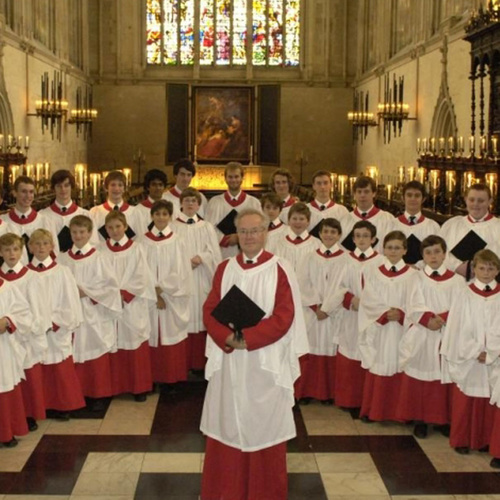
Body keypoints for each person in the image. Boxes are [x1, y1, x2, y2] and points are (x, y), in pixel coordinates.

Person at [200, 208, 307, 500]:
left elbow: (285, 316)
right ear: (237, 235)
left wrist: (248, 339)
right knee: (228, 422)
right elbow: (209, 310)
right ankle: (226, 491)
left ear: (266, 233)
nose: (249, 237)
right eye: (244, 231)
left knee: (263, 424)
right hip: (229, 359)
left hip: (265, 361)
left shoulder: (280, 268)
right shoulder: (225, 269)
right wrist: (226, 339)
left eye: (255, 231)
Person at [396, 235, 464, 438]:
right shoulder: (415, 277)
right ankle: (420, 419)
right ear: (422, 256)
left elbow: (461, 307)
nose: (433, 256)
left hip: (446, 332)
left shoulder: (458, 281)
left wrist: (442, 318)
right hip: (422, 332)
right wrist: (427, 320)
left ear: (444, 254)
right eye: (428, 252)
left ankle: (442, 419)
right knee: (421, 376)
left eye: (437, 252)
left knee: (444, 377)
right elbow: (412, 303)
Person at [59, 215, 122, 410]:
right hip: (71, 313)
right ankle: (78, 394)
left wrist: (85, 292)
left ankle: (98, 394)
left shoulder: (99, 257)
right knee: (74, 351)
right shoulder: (63, 259)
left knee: (95, 349)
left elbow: (111, 286)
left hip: (94, 311)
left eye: (82, 232)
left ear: (89, 233)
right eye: (74, 232)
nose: (78, 236)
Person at [441, 249, 500, 454]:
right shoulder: (464, 293)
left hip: (495, 357)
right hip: (468, 355)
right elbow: (457, 327)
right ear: (474, 269)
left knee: (489, 399)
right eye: (482, 268)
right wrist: (476, 350)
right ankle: (462, 440)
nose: (486, 272)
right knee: (466, 399)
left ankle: (485, 441)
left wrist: (492, 351)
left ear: (497, 270)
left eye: (491, 268)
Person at [358, 230, 421, 422]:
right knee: (379, 363)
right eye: (389, 247)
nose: (393, 251)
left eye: (397, 248)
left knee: (401, 363)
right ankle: (375, 410)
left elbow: (417, 301)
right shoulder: (373, 272)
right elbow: (368, 300)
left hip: (402, 328)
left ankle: (400, 413)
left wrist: (402, 315)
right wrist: (384, 314)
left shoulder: (414, 275)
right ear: (383, 249)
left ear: (404, 250)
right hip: (381, 327)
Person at [28, 229, 84, 420]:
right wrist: (37, 324)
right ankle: (39, 406)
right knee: (37, 366)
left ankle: (62, 405)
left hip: (58, 326)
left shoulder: (62, 271)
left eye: (45, 244)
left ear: (52, 247)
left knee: (59, 366)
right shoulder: (26, 274)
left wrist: (57, 321)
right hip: (35, 330)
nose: (41, 248)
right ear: (29, 247)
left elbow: (71, 300)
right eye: (37, 244)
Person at [100, 210, 156, 401]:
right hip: (109, 304)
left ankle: (138, 387)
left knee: (134, 342)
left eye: (118, 226)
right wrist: (111, 296)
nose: (114, 231)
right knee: (111, 342)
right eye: (110, 227)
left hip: (132, 303)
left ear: (125, 227)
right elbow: (98, 277)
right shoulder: (100, 251)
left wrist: (125, 294)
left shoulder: (137, 248)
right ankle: (113, 388)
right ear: (105, 229)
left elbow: (143, 276)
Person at [333, 220, 384, 416]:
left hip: (371, 317)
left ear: (373, 239)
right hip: (350, 315)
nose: (361, 239)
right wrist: (349, 299)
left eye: (365, 236)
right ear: (352, 238)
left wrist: (368, 305)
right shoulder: (345, 260)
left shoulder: (380, 262)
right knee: (349, 353)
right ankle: (349, 400)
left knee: (368, 352)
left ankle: (366, 401)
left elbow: (383, 289)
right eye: (358, 236)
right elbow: (337, 287)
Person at [140, 200, 193, 385]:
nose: (161, 217)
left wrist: (162, 291)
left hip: (171, 297)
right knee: (151, 334)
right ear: (152, 216)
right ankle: (152, 378)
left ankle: (171, 379)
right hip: (149, 297)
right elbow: (140, 270)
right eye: (157, 214)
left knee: (169, 334)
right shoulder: (142, 241)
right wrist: (154, 293)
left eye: (164, 214)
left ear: (170, 217)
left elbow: (180, 271)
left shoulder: (177, 241)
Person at [295, 218, 347, 404]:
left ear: (339, 235)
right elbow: (302, 282)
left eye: (333, 232)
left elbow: (344, 286)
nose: (329, 235)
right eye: (326, 231)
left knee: (331, 350)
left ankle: (328, 393)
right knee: (311, 348)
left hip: (334, 312)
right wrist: (315, 306)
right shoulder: (309, 256)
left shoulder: (346, 258)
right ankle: (308, 391)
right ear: (319, 233)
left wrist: (327, 307)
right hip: (312, 312)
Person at [0, 233, 49, 432]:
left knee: (28, 375)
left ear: (22, 251)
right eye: (6, 250)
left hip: (27, 333)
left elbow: (38, 308)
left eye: (15, 249)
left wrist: (31, 328)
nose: (11, 254)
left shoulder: (31, 277)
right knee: (10, 376)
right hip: (8, 338)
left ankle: (29, 414)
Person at [171, 188, 222, 372]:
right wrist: (185, 263)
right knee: (182, 316)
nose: (191, 204)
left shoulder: (206, 227)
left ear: (199, 205)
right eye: (187, 200)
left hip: (201, 276)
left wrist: (201, 258)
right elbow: (169, 253)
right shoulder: (173, 227)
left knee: (200, 315)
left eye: (194, 200)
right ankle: (181, 363)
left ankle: (199, 364)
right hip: (181, 278)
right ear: (181, 203)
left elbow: (214, 253)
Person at [439, 183, 500, 279]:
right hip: (454, 282)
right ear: (465, 199)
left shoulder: (497, 227)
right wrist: (457, 266)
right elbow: (439, 251)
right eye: (471, 200)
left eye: (481, 201)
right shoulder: (452, 224)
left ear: (490, 201)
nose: (475, 204)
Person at [0, 274, 32, 448]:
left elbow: (23, 313)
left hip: (2, 348)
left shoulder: (7, 287)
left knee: (4, 387)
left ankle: (6, 432)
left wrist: (7, 321)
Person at [205, 162, 261, 259]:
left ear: (242, 178)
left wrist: (239, 237)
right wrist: (225, 239)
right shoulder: (215, 202)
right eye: (230, 177)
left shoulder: (254, 203)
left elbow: (259, 228)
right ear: (225, 178)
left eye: (236, 177)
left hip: (247, 253)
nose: (233, 180)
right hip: (220, 253)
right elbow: (207, 228)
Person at [1, 176, 57, 262]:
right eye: (24, 191)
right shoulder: (3, 222)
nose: (28, 196)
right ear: (14, 193)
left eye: (31, 192)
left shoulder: (45, 221)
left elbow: (54, 253)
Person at [40, 170, 97, 253]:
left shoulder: (85, 215)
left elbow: (93, 244)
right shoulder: (42, 216)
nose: (63, 189)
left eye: (66, 185)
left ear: (72, 187)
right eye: (59, 186)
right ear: (53, 188)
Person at [340, 176, 394, 253]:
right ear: (354, 194)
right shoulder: (345, 220)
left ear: (374, 193)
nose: (362, 195)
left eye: (366, 191)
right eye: (359, 192)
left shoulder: (387, 219)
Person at [393, 181, 440, 265]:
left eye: (417, 195)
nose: (413, 199)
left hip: (423, 274)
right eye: (409, 195)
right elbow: (385, 253)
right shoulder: (392, 224)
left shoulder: (433, 226)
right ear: (402, 198)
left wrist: (418, 266)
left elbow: (438, 255)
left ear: (423, 199)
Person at [90, 170, 139, 242]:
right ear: (106, 188)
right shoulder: (95, 212)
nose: (116, 189)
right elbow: (93, 240)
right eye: (113, 185)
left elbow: (138, 238)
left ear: (124, 188)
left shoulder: (135, 212)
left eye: (120, 185)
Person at [268, 202, 320, 270]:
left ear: (308, 222)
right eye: (294, 218)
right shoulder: (280, 244)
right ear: (288, 221)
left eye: (301, 219)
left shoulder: (316, 244)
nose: (298, 222)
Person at [307, 170, 349, 237]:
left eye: (325, 183)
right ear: (313, 186)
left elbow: (344, 235)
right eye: (319, 183)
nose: (322, 187)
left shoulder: (342, 211)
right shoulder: (305, 210)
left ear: (331, 185)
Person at [135, 168, 169, 234]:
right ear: (148, 187)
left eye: (160, 185)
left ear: (164, 187)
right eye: (154, 184)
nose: (158, 188)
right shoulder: (139, 210)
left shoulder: (169, 208)